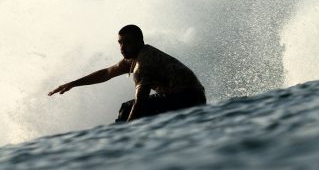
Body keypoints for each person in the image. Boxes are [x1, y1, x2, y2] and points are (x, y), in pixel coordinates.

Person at [48, 25, 206, 122]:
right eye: (120, 43)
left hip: (189, 97)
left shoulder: (144, 63)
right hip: (188, 97)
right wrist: (73, 84)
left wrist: (126, 137)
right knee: (135, 110)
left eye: (127, 42)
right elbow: (107, 73)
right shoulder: (133, 59)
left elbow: (140, 102)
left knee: (127, 108)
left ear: (139, 41)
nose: (122, 47)